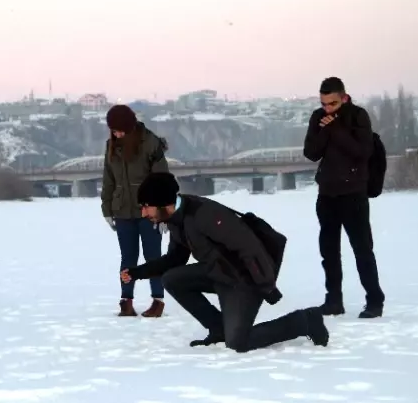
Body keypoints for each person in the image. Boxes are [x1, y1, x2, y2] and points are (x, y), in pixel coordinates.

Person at [121, 172, 329, 351]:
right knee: (172, 279)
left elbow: (249, 247)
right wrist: (137, 272)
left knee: (239, 343)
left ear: (164, 203)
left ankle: (305, 321)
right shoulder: (176, 220)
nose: (143, 213)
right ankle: (219, 329)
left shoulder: (203, 214)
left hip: (245, 279)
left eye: (146, 206)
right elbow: (175, 259)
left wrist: (266, 285)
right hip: (219, 273)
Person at [303, 77, 385, 319]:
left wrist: (335, 129)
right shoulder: (318, 117)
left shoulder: (358, 116)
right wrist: (325, 129)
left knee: (362, 249)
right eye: (324, 103)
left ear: (344, 97)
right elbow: (311, 153)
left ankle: (374, 301)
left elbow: (362, 152)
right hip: (327, 194)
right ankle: (333, 301)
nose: (327, 108)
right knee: (329, 251)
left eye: (333, 103)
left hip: (353, 194)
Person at [101, 104, 170, 317]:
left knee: (153, 258)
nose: (117, 134)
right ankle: (126, 300)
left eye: (120, 129)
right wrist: (107, 209)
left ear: (130, 126)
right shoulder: (112, 146)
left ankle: (157, 300)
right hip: (122, 210)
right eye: (113, 130)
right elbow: (108, 180)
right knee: (127, 258)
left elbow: (163, 181)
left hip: (148, 212)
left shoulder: (150, 143)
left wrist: (163, 213)